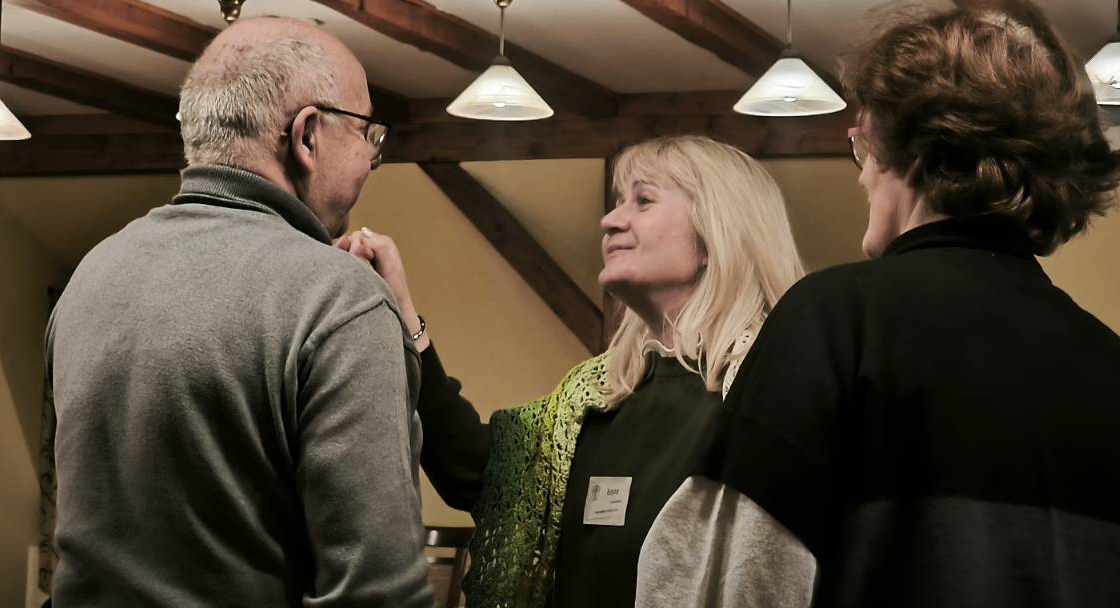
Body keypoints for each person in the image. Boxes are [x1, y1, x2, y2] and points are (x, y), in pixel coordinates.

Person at [639, 1, 1120, 607]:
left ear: (911, 149)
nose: (862, 176)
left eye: (863, 146)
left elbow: (736, 585)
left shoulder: (837, 321)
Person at [46, 17, 435, 607]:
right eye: (366, 133)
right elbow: (379, 594)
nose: (373, 158)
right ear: (307, 136)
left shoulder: (92, 274)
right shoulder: (338, 300)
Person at [338, 136, 805, 608]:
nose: (610, 220)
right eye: (618, 202)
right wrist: (402, 313)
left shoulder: (769, 397)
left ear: (715, 234)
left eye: (643, 200)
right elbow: (472, 471)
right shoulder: (593, 398)